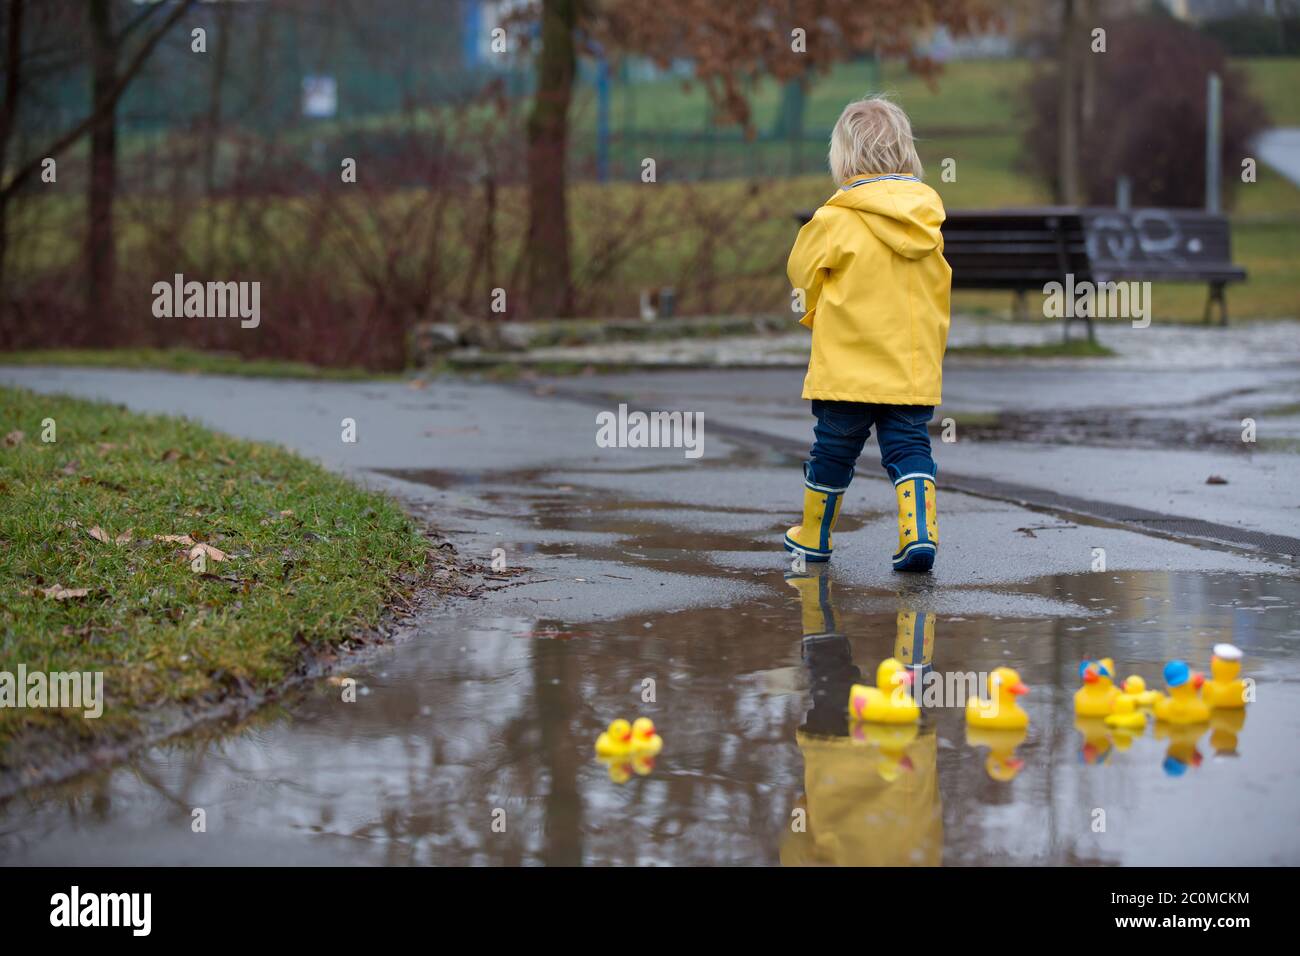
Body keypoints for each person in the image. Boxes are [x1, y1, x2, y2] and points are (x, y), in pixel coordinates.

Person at [783, 95, 951, 572]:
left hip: (847, 370)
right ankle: (919, 532)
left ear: (844, 157)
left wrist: (817, 304)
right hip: (909, 368)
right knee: (909, 447)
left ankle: (814, 535)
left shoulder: (835, 219)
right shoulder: (927, 219)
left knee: (833, 449)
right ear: (906, 152)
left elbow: (801, 271)